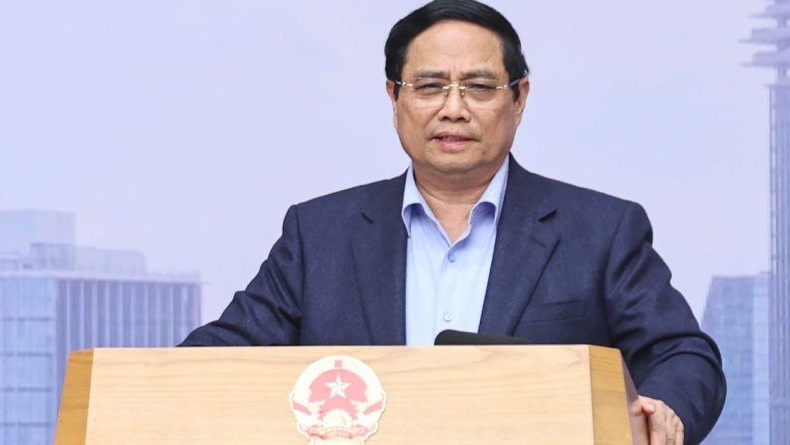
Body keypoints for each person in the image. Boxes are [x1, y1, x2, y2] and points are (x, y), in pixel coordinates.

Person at [180, 0, 725, 443]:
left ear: (520, 98)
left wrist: (664, 411)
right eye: (430, 86)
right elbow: (223, 356)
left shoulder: (601, 230)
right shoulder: (319, 233)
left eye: (480, 88)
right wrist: (152, 384)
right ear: (394, 97)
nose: (454, 108)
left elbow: (684, 355)